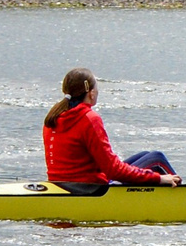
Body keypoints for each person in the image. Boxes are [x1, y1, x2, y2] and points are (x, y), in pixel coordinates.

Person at [42, 69, 178, 194]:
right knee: (157, 159)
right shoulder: (89, 118)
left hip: (62, 186)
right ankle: (182, 198)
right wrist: (159, 179)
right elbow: (113, 170)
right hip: (90, 189)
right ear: (92, 93)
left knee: (146, 155)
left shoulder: (53, 117)